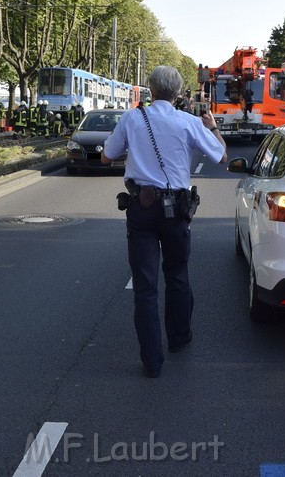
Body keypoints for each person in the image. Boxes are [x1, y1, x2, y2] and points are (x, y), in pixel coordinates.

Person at [100, 65, 227, 379]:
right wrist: (212, 128)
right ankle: (179, 338)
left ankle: (152, 362)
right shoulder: (189, 121)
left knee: (145, 288)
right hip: (176, 210)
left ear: (150, 90)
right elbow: (221, 157)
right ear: (180, 93)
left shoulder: (132, 118)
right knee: (177, 274)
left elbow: (107, 156)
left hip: (140, 208)